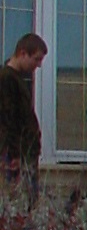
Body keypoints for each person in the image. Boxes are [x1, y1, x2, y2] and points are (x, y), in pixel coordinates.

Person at [0, 33, 46, 193]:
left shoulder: (17, 78)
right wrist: (14, 154)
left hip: (25, 151)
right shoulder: (7, 79)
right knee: (21, 198)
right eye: (36, 59)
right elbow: (8, 120)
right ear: (23, 53)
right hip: (17, 154)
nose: (38, 65)